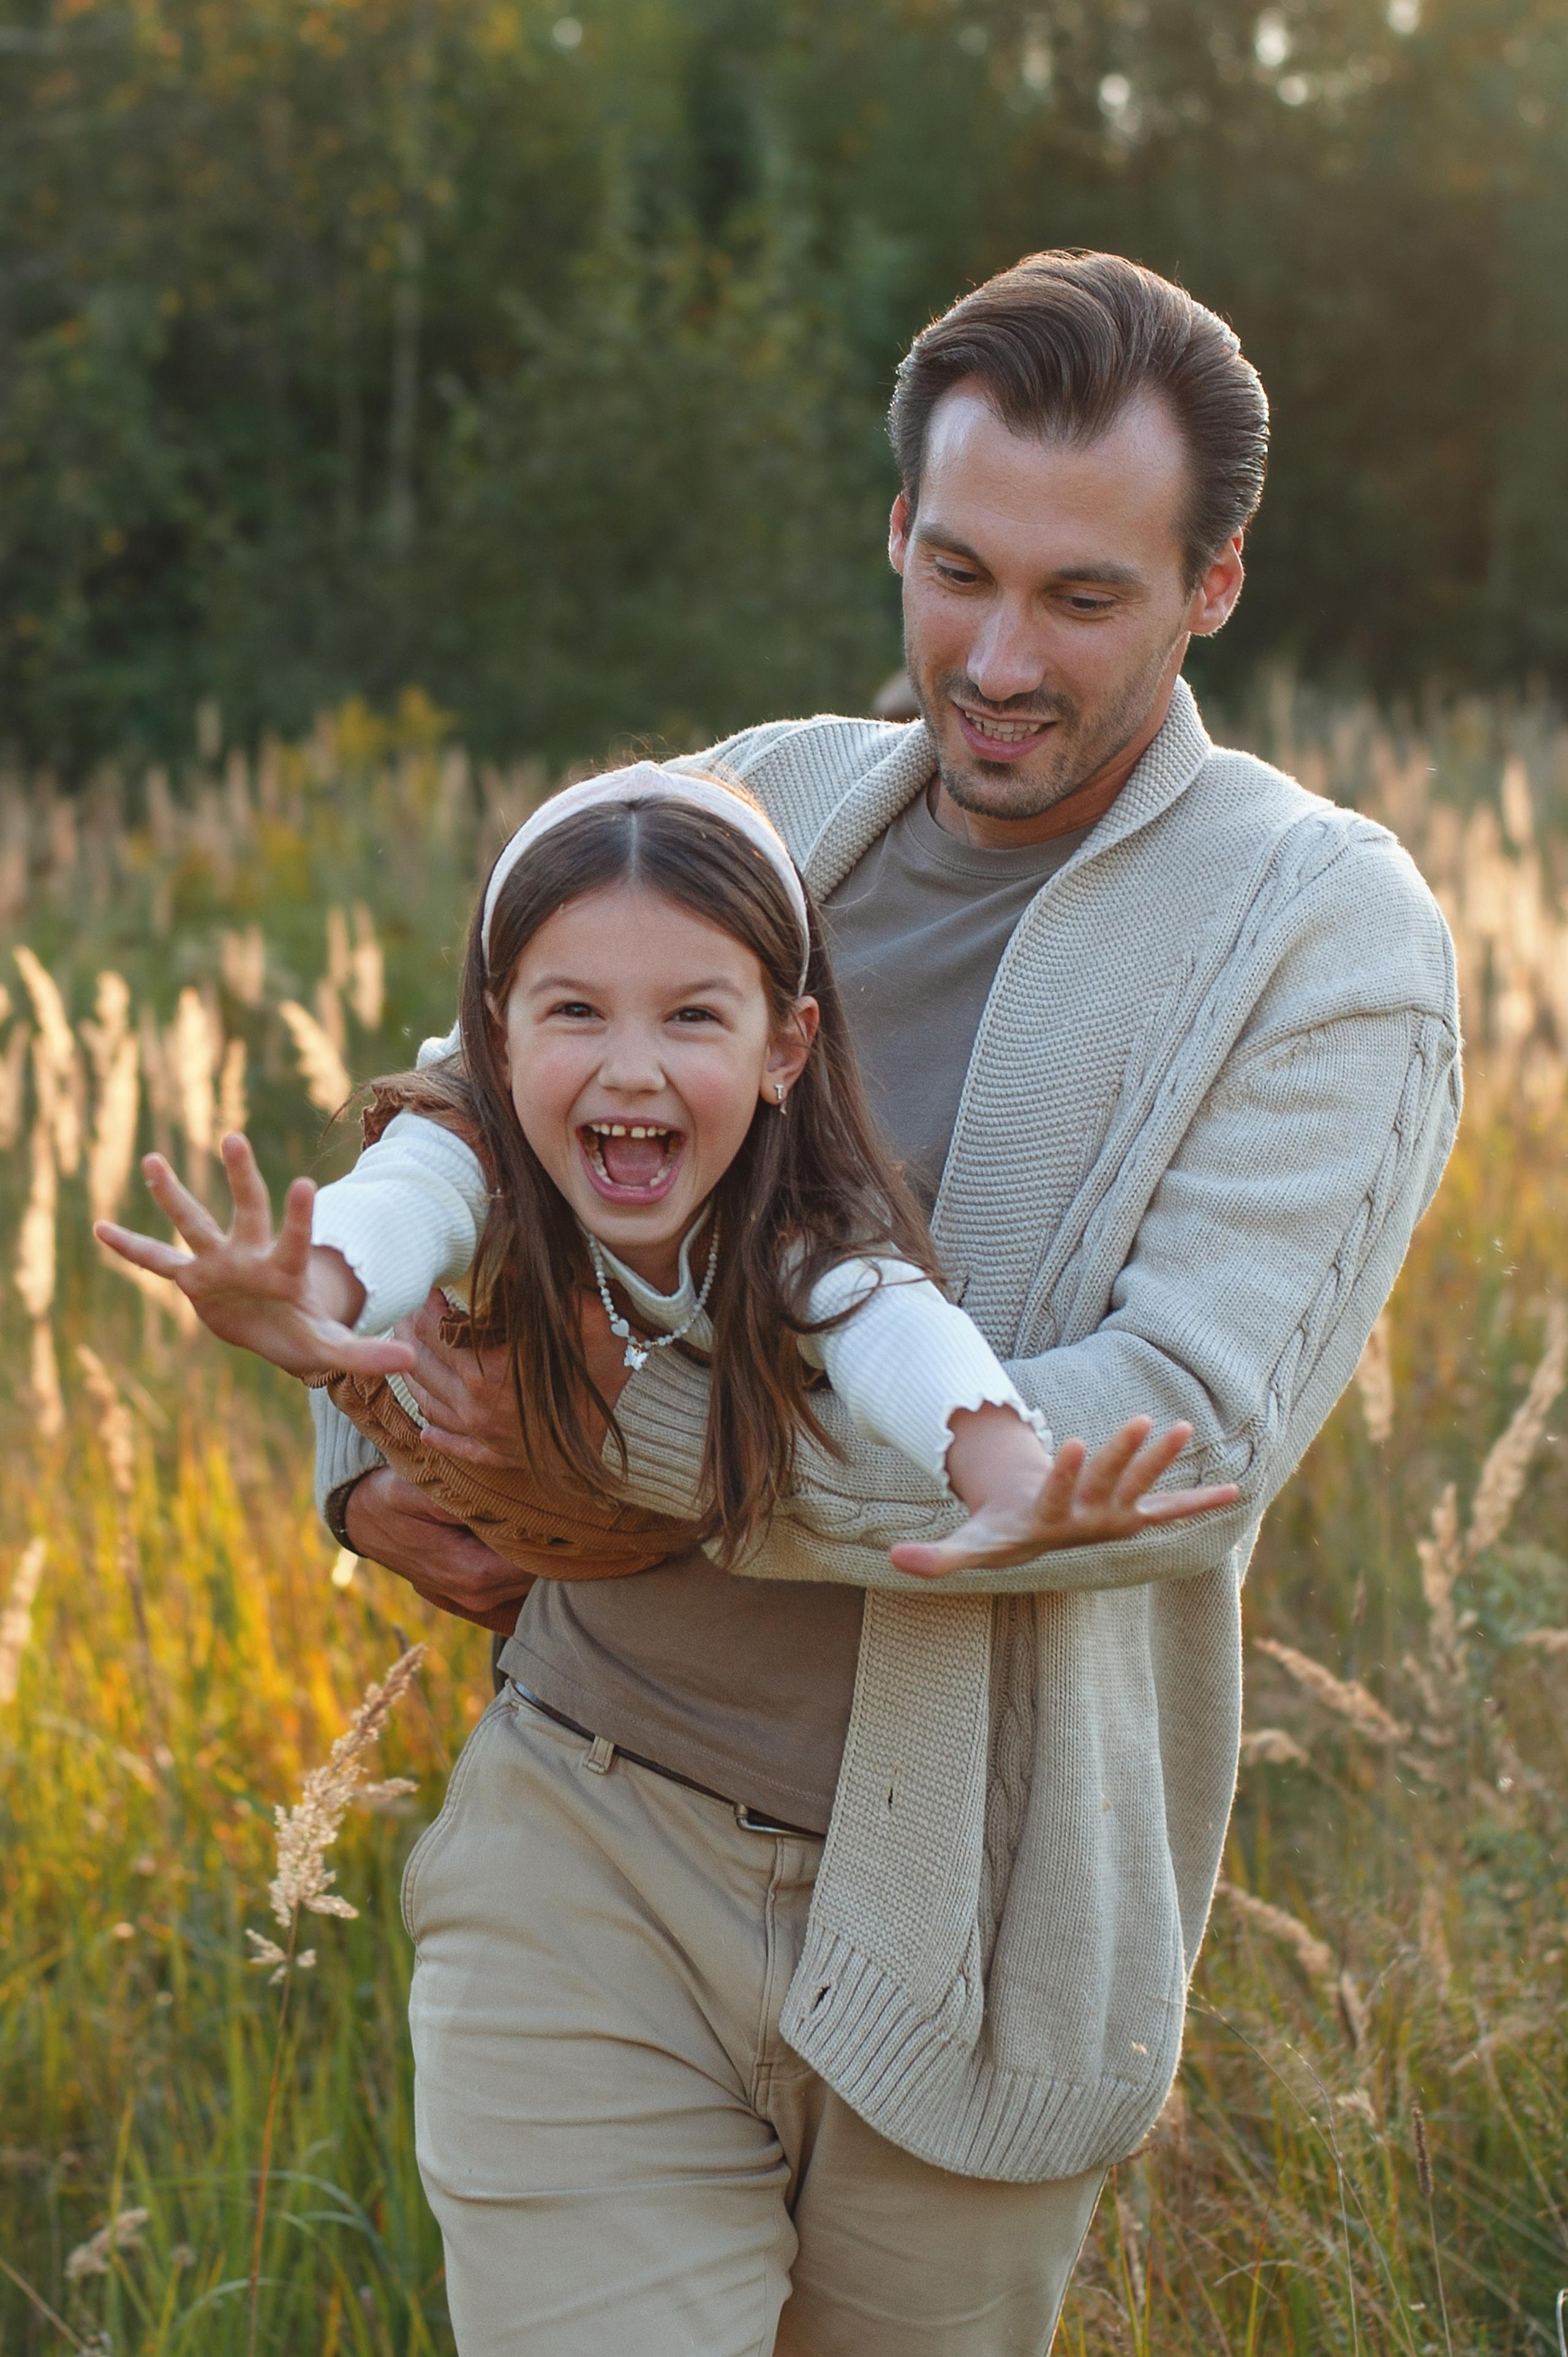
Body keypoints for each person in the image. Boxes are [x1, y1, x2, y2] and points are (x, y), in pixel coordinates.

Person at [309, 251, 1461, 2357]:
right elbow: (475, 1125)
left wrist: (601, 1442)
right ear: (898, 533)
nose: (998, 658)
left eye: (1083, 598)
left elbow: (1165, 1445)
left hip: (985, 1934)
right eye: (956, 572)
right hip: (593, 1825)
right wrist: (364, 1452)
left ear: (1215, 583)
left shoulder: (1327, 935)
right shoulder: (766, 795)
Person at [95, 771, 1233, 1598]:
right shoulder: (477, 1146)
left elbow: (888, 1323)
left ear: (784, 1050)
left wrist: (1008, 1473)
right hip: (509, 1543)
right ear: (495, 1035)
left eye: (693, 1016)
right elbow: (404, 1204)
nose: (630, 1066)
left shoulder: (795, 1221)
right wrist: (314, 1291)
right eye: (575, 1011)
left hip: (647, 1542)